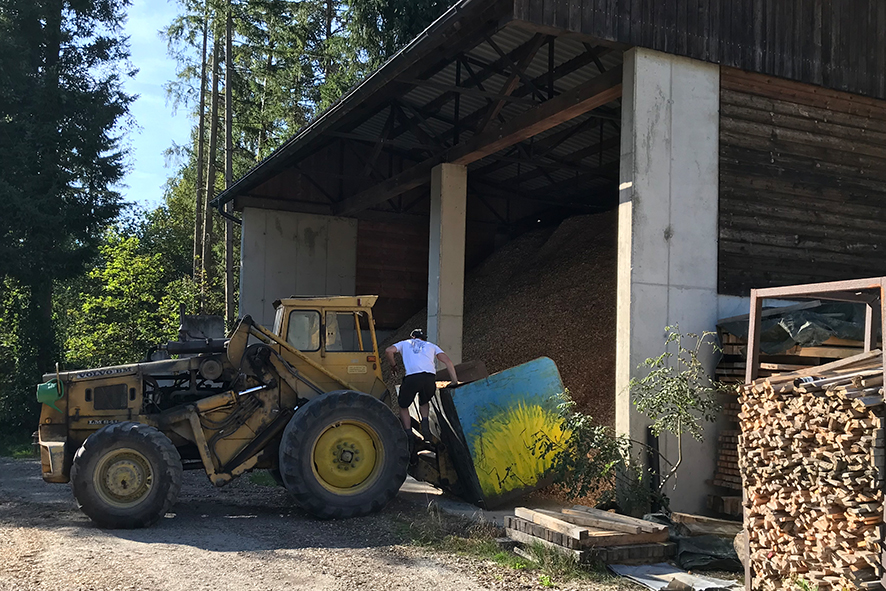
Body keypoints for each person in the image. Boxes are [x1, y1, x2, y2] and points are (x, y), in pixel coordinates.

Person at [385, 329, 458, 441]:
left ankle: (409, 434)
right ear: (424, 338)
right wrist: (454, 382)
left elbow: (388, 351)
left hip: (412, 378)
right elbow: (448, 361)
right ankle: (425, 427)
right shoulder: (431, 345)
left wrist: (393, 365)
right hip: (429, 378)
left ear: (413, 337)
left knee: (403, 406)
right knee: (424, 401)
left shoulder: (405, 343)